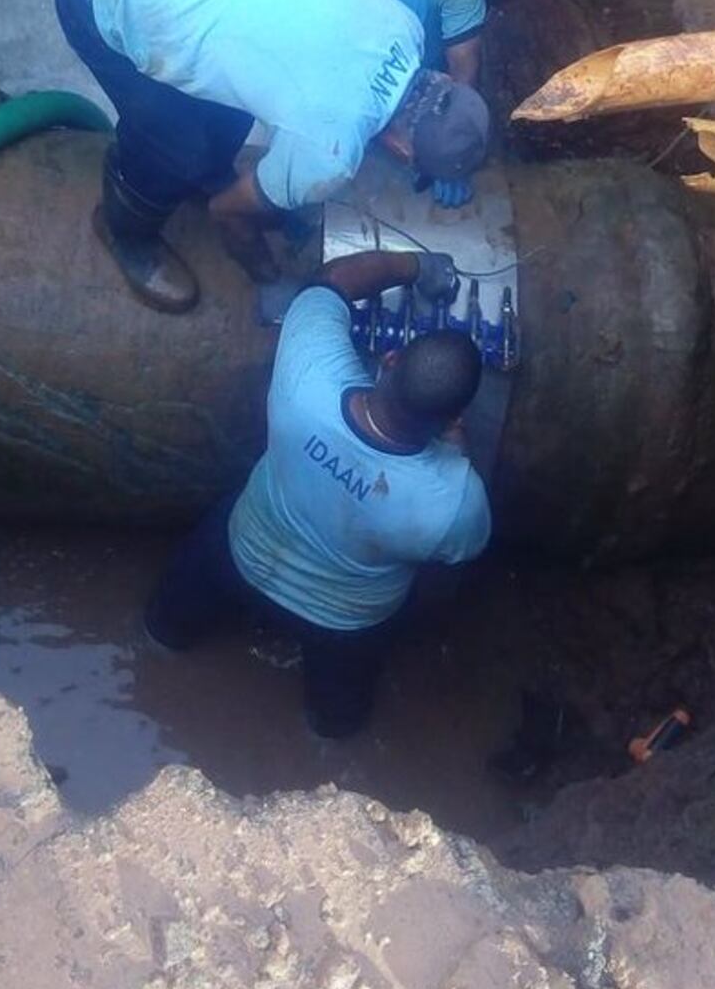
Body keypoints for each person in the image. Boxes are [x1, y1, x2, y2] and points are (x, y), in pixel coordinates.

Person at [54, 0, 490, 314]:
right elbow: (227, 213)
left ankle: (202, 173)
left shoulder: (404, 27)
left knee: (231, 116)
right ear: (401, 149)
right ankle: (124, 232)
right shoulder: (329, 155)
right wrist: (270, 281)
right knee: (172, 147)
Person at [144, 245, 491, 737]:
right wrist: (455, 449)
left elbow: (334, 278)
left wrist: (419, 266)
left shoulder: (308, 373)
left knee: (164, 627)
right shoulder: (456, 500)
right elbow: (458, 555)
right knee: (336, 721)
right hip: (343, 620)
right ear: (451, 419)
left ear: (389, 360)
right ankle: (327, 736)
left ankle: (163, 641)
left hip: (244, 552)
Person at [318, 0, 487, 207]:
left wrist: (452, 150)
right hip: (364, 69)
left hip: (431, 74)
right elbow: (326, 47)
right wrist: (380, 133)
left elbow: (463, 65)